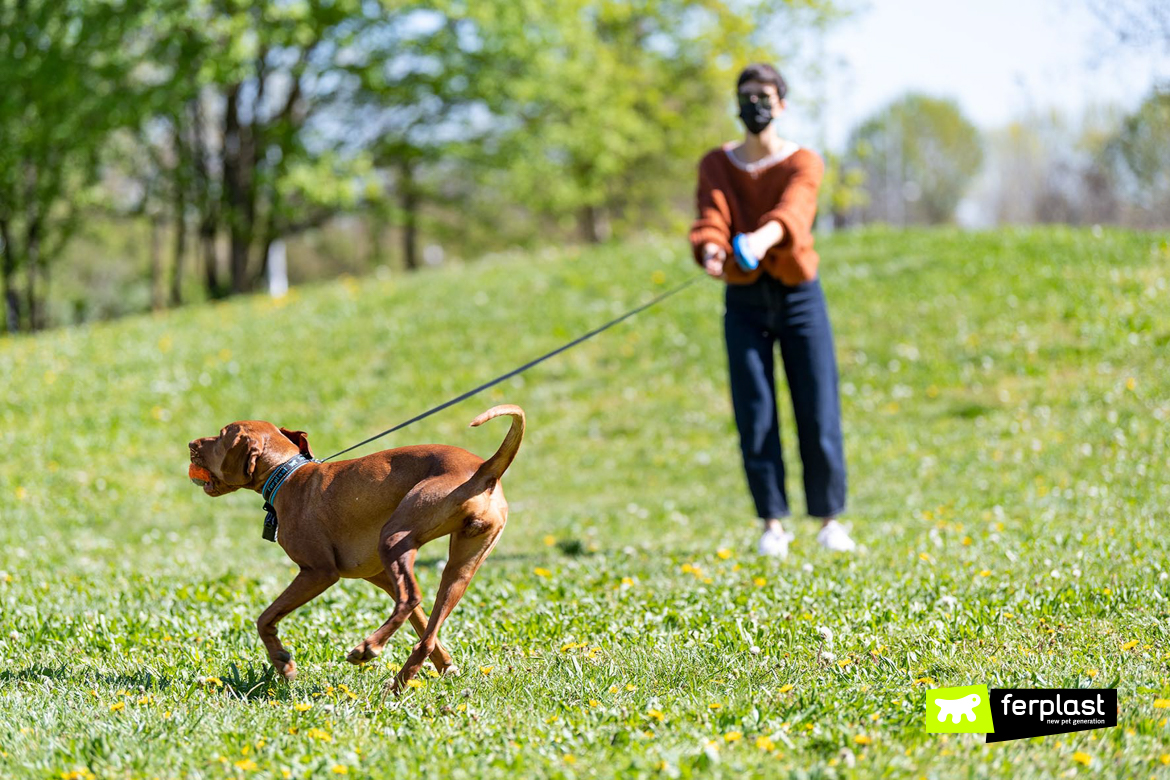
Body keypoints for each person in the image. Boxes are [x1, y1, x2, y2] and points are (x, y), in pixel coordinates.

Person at [688, 62, 855, 558]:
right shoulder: (716, 163)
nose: (754, 105)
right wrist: (714, 250)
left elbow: (796, 211)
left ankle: (830, 521)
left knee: (817, 406)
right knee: (754, 411)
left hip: (799, 296)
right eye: (746, 96)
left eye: (764, 96)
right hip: (743, 301)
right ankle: (772, 525)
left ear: (782, 103)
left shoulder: (804, 160)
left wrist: (758, 240)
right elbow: (710, 216)